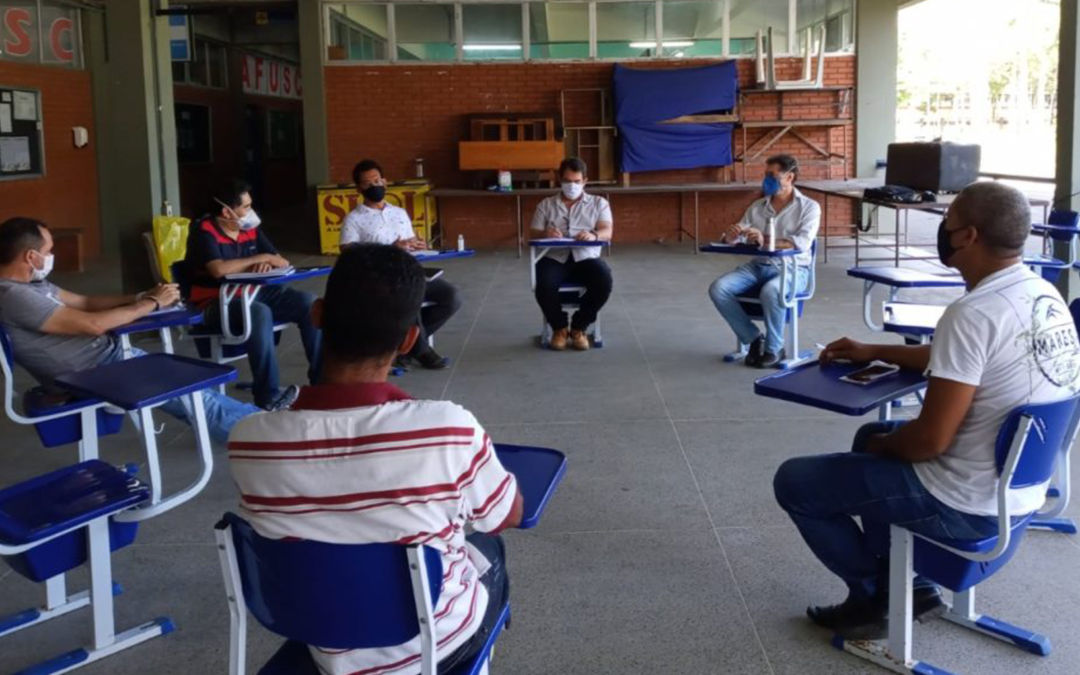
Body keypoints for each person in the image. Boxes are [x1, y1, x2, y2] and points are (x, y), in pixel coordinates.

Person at [772, 181, 1080, 640]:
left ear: (968, 236)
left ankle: (873, 593)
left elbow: (926, 443)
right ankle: (911, 584)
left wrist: (886, 444)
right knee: (868, 445)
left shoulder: (973, 313)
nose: (943, 228)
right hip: (1017, 488)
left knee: (797, 480)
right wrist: (871, 349)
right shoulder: (1042, 295)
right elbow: (959, 359)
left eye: (948, 221)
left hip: (964, 503)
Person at [228, 244, 523, 675]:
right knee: (488, 544)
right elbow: (508, 514)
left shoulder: (249, 439)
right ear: (408, 339)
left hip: (323, 643)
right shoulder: (447, 428)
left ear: (317, 315)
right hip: (434, 649)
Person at [0, 217, 259, 443]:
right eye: (48, 250)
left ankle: (262, 425)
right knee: (195, 397)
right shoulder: (12, 295)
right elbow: (94, 324)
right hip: (92, 369)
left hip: (106, 357)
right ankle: (266, 438)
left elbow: (86, 302)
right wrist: (152, 303)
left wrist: (140, 296)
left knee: (199, 395)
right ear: (30, 256)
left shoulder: (33, 284)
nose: (51, 256)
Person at [181, 178, 320, 410]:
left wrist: (267, 263)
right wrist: (258, 259)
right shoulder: (203, 231)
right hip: (216, 302)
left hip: (254, 291)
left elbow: (279, 260)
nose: (251, 212)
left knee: (310, 303)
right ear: (226, 211)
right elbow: (218, 269)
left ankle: (323, 382)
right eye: (245, 207)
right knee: (258, 313)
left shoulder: (250, 230)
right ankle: (268, 396)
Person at [339, 159, 459, 370]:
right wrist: (390, 249)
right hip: (378, 279)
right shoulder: (353, 219)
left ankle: (405, 346)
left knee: (451, 297)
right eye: (368, 183)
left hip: (411, 271)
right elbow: (348, 254)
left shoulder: (399, 213)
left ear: (385, 181)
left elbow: (409, 243)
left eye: (377, 180)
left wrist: (418, 245)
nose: (374, 186)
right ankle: (422, 351)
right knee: (408, 296)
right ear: (359, 188)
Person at [708, 154, 820, 368]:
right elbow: (740, 234)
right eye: (765, 175)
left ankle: (774, 348)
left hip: (794, 269)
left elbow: (803, 242)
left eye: (772, 175)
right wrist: (732, 236)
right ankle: (752, 338)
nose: (767, 180)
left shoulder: (809, 207)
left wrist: (765, 239)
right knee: (719, 288)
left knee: (771, 291)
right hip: (758, 266)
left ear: (790, 177)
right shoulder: (758, 206)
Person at [529, 157, 614, 351]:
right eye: (567, 181)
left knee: (604, 281)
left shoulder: (599, 203)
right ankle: (559, 328)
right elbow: (532, 233)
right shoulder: (546, 205)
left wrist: (593, 235)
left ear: (585, 180)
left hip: (585, 257)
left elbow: (607, 231)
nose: (572, 186)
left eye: (576, 181)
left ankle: (579, 328)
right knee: (543, 284)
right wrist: (545, 233)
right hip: (554, 257)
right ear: (560, 179)